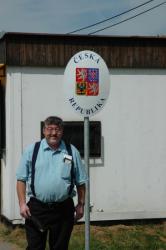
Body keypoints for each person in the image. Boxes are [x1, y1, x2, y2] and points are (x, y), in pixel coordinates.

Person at [16, 116, 87, 250]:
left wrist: (81, 204)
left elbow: (81, 181)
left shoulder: (71, 151)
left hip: (63, 209)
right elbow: (21, 179)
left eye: (57, 129)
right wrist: (22, 203)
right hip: (37, 209)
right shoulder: (32, 151)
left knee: (60, 247)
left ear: (62, 131)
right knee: (35, 247)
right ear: (44, 130)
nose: (53, 133)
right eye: (50, 129)